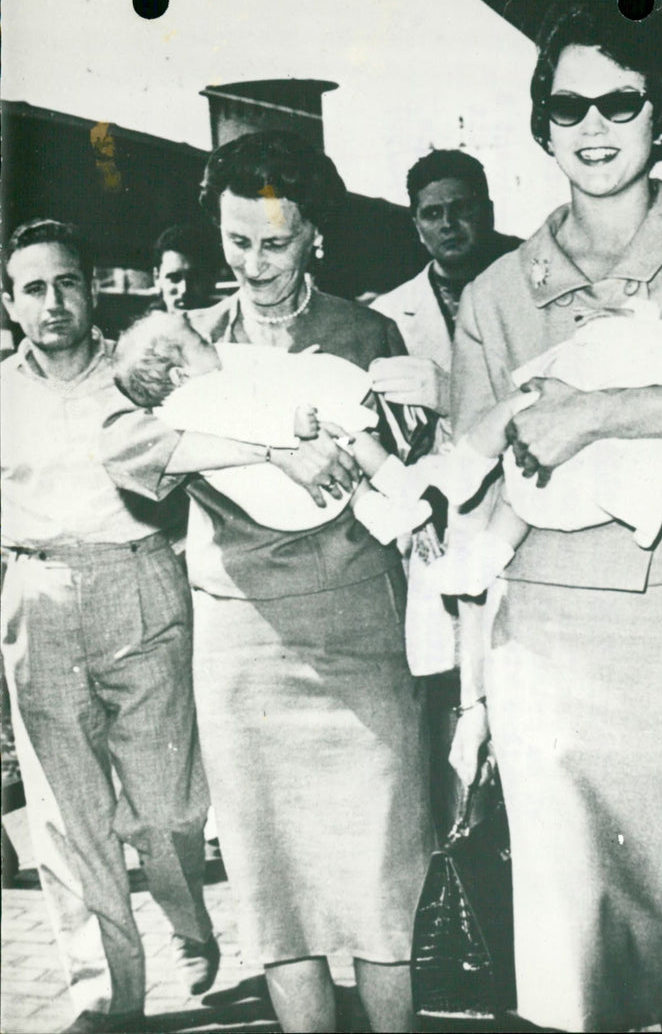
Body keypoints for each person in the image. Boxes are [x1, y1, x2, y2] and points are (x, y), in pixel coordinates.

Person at [447, 2, 662, 1033]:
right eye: (567, 105)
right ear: (541, 125)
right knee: (571, 936)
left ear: (660, 117)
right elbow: (473, 482)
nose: (593, 125)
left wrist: (599, 414)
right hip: (548, 642)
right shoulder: (497, 291)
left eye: (620, 101)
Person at [102, 131, 434, 1034]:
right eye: (237, 241)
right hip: (243, 649)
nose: (254, 264)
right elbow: (131, 453)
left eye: (276, 243)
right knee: (275, 896)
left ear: (315, 235)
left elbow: (411, 469)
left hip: (360, 639)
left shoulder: (367, 332)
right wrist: (275, 449)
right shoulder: (183, 339)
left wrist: (418, 420)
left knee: (381, 880)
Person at [0, 220, 219, 1034]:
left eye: (66, 283)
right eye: (33, 288)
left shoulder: (139, 375)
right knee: (67, 811)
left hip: (140, 582)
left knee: (165, 806)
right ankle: (108, 994)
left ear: (90, 289)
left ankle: (192, 921)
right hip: (38, 590)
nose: (52, 302)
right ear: (10, 302)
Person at [426, 248, 662, 594]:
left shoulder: (647, 342)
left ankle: (463, 466)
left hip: (556, 459)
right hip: (592, 498)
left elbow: (598, 346)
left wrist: (609, 326)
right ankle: (480, 565)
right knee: (515, 502)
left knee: (514, 410)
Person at [370, 150, 520, 838]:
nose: (451, 224)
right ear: (415, 225)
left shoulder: (526, 286)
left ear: (487, 210)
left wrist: (448, 392)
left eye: (464, 208)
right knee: (449, 718)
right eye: (434, 213)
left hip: (519, 525)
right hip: (434, 547)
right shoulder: (388, 314)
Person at [113, 308, 432, 541]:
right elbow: (249, 419)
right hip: (283, 496)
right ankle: (404, 486)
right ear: (180, 375)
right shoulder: (198, 397)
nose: (210, 342)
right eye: (200, 342)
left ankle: (381, 517)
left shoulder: (186, 397)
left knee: (346, 454)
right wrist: (290, 423)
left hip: (287, 504)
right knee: (353, 437)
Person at [151, 223, 218, 312]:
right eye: (174, 278)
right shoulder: (145, 326)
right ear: (157, 278)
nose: (184, 290)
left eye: (195, 278)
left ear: (211, 280)